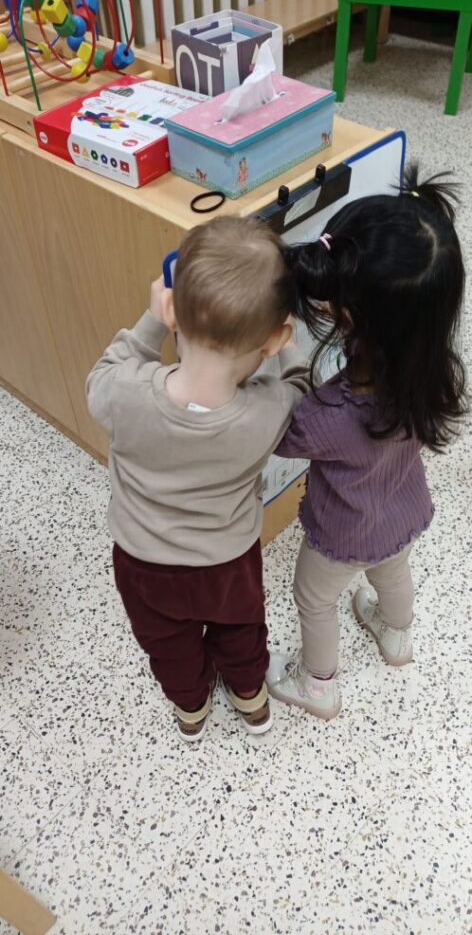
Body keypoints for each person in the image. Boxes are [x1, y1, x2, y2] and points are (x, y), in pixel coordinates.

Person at [86, 216, 309, 742]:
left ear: (172, 310)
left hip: (142, 563)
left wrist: (151, 321)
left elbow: (105, 371)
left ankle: (190, 709)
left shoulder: (125, 393)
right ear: (274, 338)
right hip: (227, 560)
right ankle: (251, 699)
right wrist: (288, 346)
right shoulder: (269, 411)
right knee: (241, 629)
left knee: (167, 642)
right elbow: (302, 385)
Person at [266, 164, 467, 720]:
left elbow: (283, 434)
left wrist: (286, 354)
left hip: (344, 534)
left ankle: (318, 685)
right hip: (401, 512)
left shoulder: (331, 415)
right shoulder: (431, 372)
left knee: (314, 597)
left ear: (350, 315)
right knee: (392, 572)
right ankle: (397, 636)